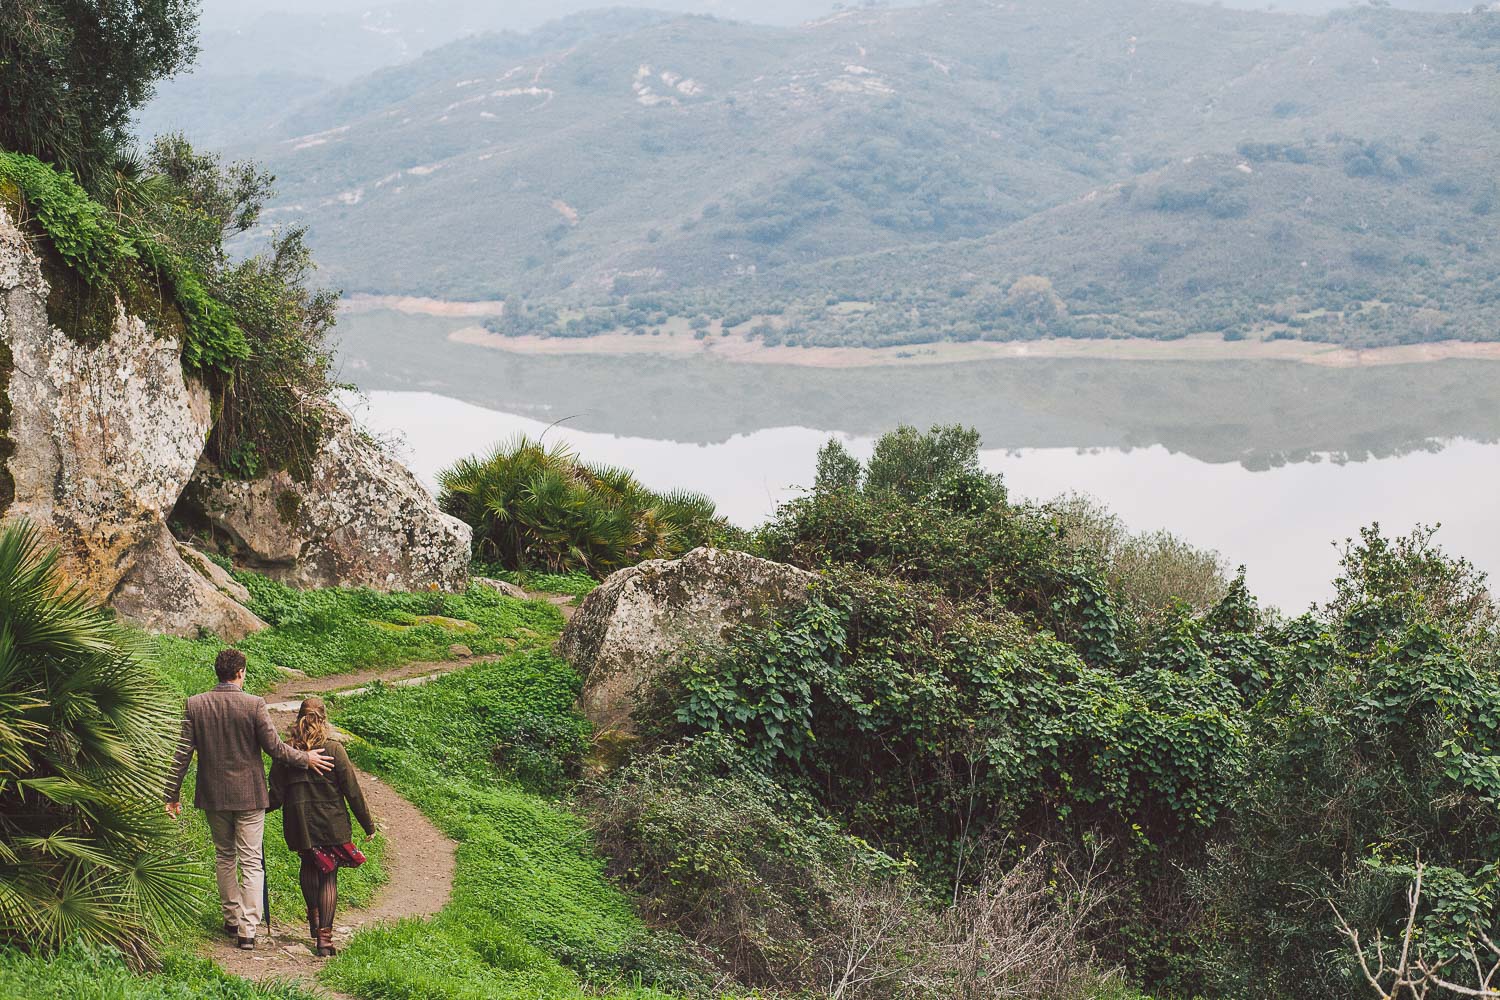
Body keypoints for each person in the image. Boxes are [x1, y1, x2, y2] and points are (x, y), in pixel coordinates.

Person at [165, 649, 333, 951]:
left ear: (218, 672)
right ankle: (248, 929)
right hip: (249, 798)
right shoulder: (254, 705)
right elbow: (276, 749)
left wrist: (171, 795)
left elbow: (182, 754)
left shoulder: (195, 704)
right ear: (240, 672)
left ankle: (231, 918)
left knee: (224, 856)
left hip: (214, 796)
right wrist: (305, 759)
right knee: (251, 861)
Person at [269, 697, 377, 958]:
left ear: (299, 719)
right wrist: (368, 824)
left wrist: (251, 810)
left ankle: (315, 921)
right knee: (329, 876)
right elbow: (352, 791)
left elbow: (275, 794)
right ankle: (325, 941)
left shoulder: (287, 752)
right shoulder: (334, 749)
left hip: (300, 823)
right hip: (331, 822)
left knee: (308, 866)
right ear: (324, 719)